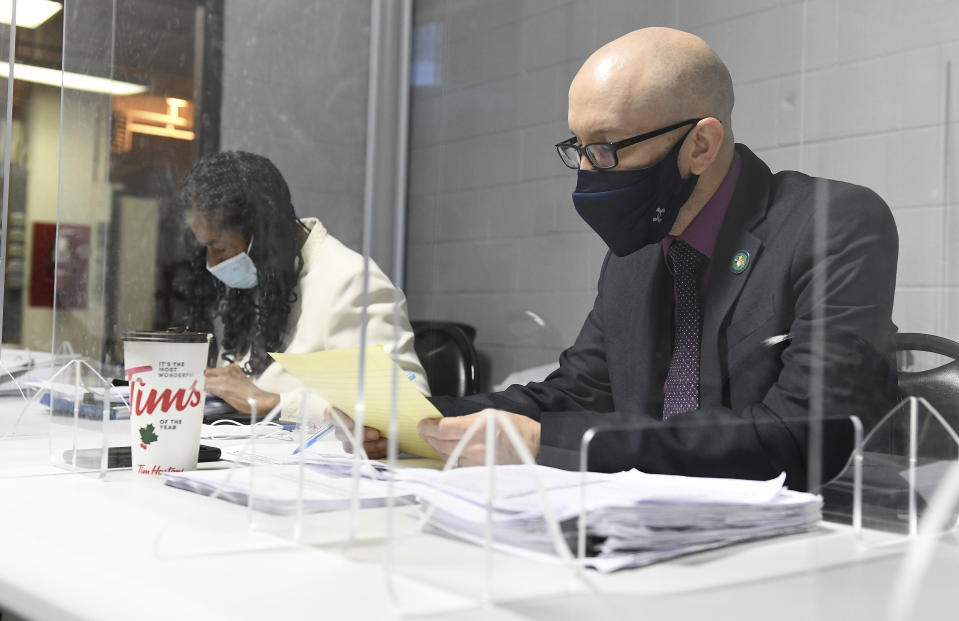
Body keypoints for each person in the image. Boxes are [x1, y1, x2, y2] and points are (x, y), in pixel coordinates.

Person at [345, 28, 899, 491]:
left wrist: (547, 444)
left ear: (701, 145)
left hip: (808, 544)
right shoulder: (637, 255)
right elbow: (574, 392)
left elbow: (805, 434)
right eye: (579, 149)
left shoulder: (833, 223)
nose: (589, 172)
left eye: (609, 147)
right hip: (642, 526)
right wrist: (418, 422)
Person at [179, 150, 429, 420]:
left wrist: (275, 403)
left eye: (221, 247)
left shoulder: (351, 281)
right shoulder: (264, 275)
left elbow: (408, 405)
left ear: (261, 232)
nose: (213, 264)